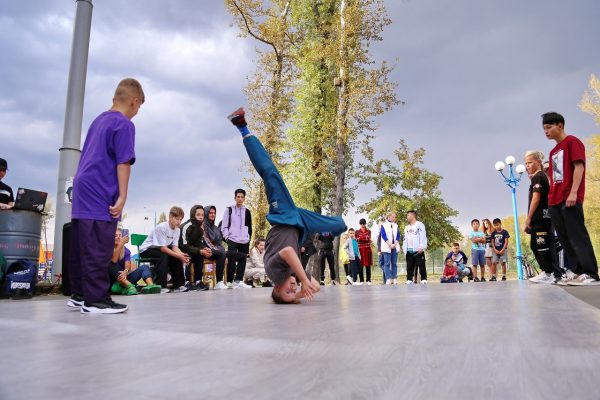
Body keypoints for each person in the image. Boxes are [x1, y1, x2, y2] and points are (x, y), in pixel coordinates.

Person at [227, 107, 346, 303]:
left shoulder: (274, 272)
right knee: (340, 225)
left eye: (287, 291)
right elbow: (315, 287)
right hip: (301, 224)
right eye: (294, 291)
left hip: (283, 216)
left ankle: (242, 127)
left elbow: (288, 252)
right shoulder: (292, 276)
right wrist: (298, 293)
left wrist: (302, 283)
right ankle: (319, 233)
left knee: (270, 173)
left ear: (275, 287)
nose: (293, 288)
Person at [66, 78, 144, 314]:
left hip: (82, 186)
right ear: (134, 101)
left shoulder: (98, 120)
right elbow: (123, 162)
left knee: (82, 244)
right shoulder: (124, 124)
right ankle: (96, 300)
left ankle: (80, 294)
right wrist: (122, 196)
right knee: (99, 245)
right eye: (138, 108)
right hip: (99, 188)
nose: (137, 112)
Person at [543, 112, 599, 285]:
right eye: (544, 128)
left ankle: (591, 273)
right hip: (555, 200)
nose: (546, 131)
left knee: (577, 235)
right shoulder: (553, 151)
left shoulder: (572, 142)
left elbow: (579, 167)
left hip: (569, 197)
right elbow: (554, 177)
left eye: (549, 127)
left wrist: (574, 192)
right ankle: (578, 271)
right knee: (564, 238)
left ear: (560, 125)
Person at [524, 151, 561, 284]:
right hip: (545, 217)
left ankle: (548, 272)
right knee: (545, 244)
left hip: (540, 217)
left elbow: (536, 198)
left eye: (529, 162)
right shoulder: (541, 177)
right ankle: (554, 273)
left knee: (540, 245)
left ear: (538, 162)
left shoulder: (538, 177)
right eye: (525, 163)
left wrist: (528, 218)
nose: (527, 165)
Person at [139, 206, 190, 293]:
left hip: (160, 249)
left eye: (180, 219)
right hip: (146, 250)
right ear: (170, 217)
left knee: (176, 256)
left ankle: (178, 285)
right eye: (177, 219)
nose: (179, 222)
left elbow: (175, 247)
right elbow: (163, 248)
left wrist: (182, 256)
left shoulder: (177, 230)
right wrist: (179, 255)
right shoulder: (161, 227)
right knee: (163, 255)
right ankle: (161, 286)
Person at [109, 226, 161, 295]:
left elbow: (127, 264)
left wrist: (125, 271)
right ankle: (129, 287)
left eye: (120, 236)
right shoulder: (108, 249)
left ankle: (151, 286)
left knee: (144, 267)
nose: (118, 237)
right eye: (115, 236)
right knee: (109, 263)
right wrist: (121, 243)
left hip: (124, 277)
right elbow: (113, 261)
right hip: (112, 279)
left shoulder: (126, 251)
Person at [221, 189, 252, 289]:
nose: (240, 199)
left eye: (242, 197)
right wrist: (227, 237)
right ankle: (230, 282)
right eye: (238, 197)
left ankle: (238, 281)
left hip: (244, 240)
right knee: (232, 259)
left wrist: (248, 238)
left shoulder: (247, 212)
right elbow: (224, 226)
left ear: (244, 198)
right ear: (235, 198)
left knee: (243, 260)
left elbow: (249, 227)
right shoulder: (229, 210)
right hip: (232, 239)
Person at [179, 205, 210, 291]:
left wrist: (204, 249)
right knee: (187, 256)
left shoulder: (200, 229)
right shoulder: (186, 226)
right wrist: (199, 250)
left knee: (199, 255)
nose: (201, 217)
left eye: (202, 215)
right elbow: (183, 246)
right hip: (180, 250)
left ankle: (198, 281)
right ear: (193, 215)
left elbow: (198, 243)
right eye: (198, 215)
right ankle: (187, 282)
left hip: (191, 249)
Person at [203, 205, 228, 289]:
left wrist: (223, 252)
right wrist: (222, 252)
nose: (213, 214)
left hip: (216, 250)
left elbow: (219, 243)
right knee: (221, 254)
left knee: (237, 255)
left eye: (214, 213)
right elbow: (206, 242)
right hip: (205, 250)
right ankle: (219, 282)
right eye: (210, 213)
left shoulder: (216, 228)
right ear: (206, 214)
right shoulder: (202, 226)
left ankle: (233, 281)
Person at [403, 210, 428, 284]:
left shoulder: (419, 225)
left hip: (418, 250)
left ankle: (424, 279)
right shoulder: (406, 227)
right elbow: (405, 239)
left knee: (421, 265)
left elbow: (423, 236)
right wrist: (405, 249)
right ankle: (409, 279)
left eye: (408, 215)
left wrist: (422, 247)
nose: (407, 217)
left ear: (413, 215)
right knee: (409, 266)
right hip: (409, 250)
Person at [380, 212, 400, 285]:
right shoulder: (383, 225)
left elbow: (398, 236)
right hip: (387, 247)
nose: (394, 218)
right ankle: (388, 279)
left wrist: (395, 244)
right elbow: (383, 235)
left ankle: (394, 278)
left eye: (395, 217)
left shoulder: (396, 225)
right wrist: (390, 244)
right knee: (387, 263)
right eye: (393, 217)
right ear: (388, 217)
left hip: (395, 246)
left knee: (394, 263)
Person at [355, 218, 373, 285]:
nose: (363, 225)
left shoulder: (369, 231)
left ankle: (368, 280)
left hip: (367, 250)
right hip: (360, 250)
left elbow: (368, 239)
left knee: (368, 265)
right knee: (360, 265)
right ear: (360, 224)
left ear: (365, 224)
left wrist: (362, 238)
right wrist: (364, 238)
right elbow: (357, 240)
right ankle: (361, 280)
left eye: (364, 224)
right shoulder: (357, 232)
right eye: (361, 224)